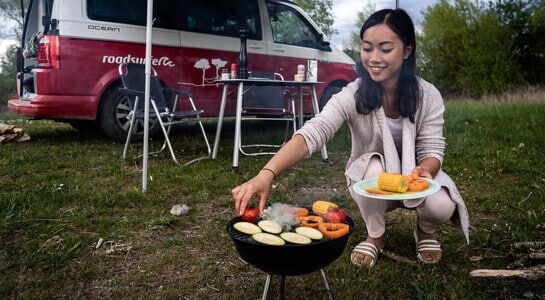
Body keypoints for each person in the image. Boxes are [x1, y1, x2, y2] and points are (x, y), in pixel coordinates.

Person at [231, 8, 469, 267]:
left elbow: (433, 148)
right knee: (373, 167)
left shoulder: (428, 94)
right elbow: (314, 131)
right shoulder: (353, 94)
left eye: (385, 49)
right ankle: (375, 235)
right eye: (367, 48)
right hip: (373, 178)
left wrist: (426, 169)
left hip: (415, 177)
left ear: (407, 50)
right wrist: (267, 173)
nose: (374, 58)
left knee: (442, 205)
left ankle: (425, 230)